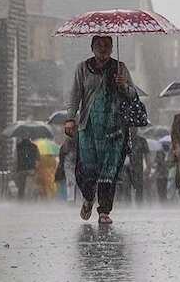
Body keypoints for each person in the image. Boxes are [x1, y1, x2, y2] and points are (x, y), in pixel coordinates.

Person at [64, 35, 138, 224]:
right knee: (86, 169)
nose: (103, 48)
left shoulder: (120, 68)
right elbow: (75, 94)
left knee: (109, 170)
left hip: (114, 129)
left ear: (112, 48)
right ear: (92, 47)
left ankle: (104, 210)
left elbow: (133, 95)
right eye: (99, 45)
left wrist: (123, 86)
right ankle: (88, 198)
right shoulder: (83, 68)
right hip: (89, 127)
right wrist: (70, 118)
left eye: (107, 45)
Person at [124, 128, 152, 205]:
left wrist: (148, 167)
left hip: (138, 169)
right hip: (126, 169)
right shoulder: (124, 140)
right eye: (131, 127)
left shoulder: (142, 140)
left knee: (139, 189)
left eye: (134, 127)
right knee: (126, 188)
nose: (133, 129)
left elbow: (147, 154)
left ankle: (139, 206)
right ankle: (127, 206)